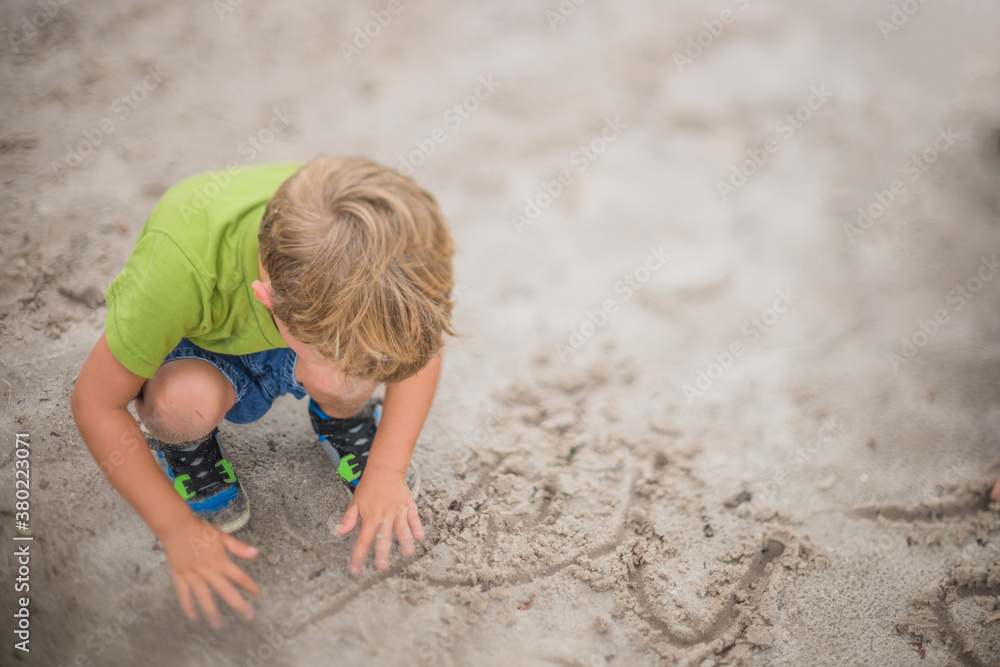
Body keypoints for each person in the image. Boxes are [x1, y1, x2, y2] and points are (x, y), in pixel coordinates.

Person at [70, 157, 455, 629]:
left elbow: (419, 350)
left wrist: (387, 471)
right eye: (341, 351)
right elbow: (95, 402)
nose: (368, 372)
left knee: (343, 374)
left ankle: (339, 416)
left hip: (307, 321)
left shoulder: (389, 247)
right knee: (180, 406)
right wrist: (175, 529)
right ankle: (187, 443)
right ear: (266, 298)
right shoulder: (176, 270)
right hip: (202, 343)